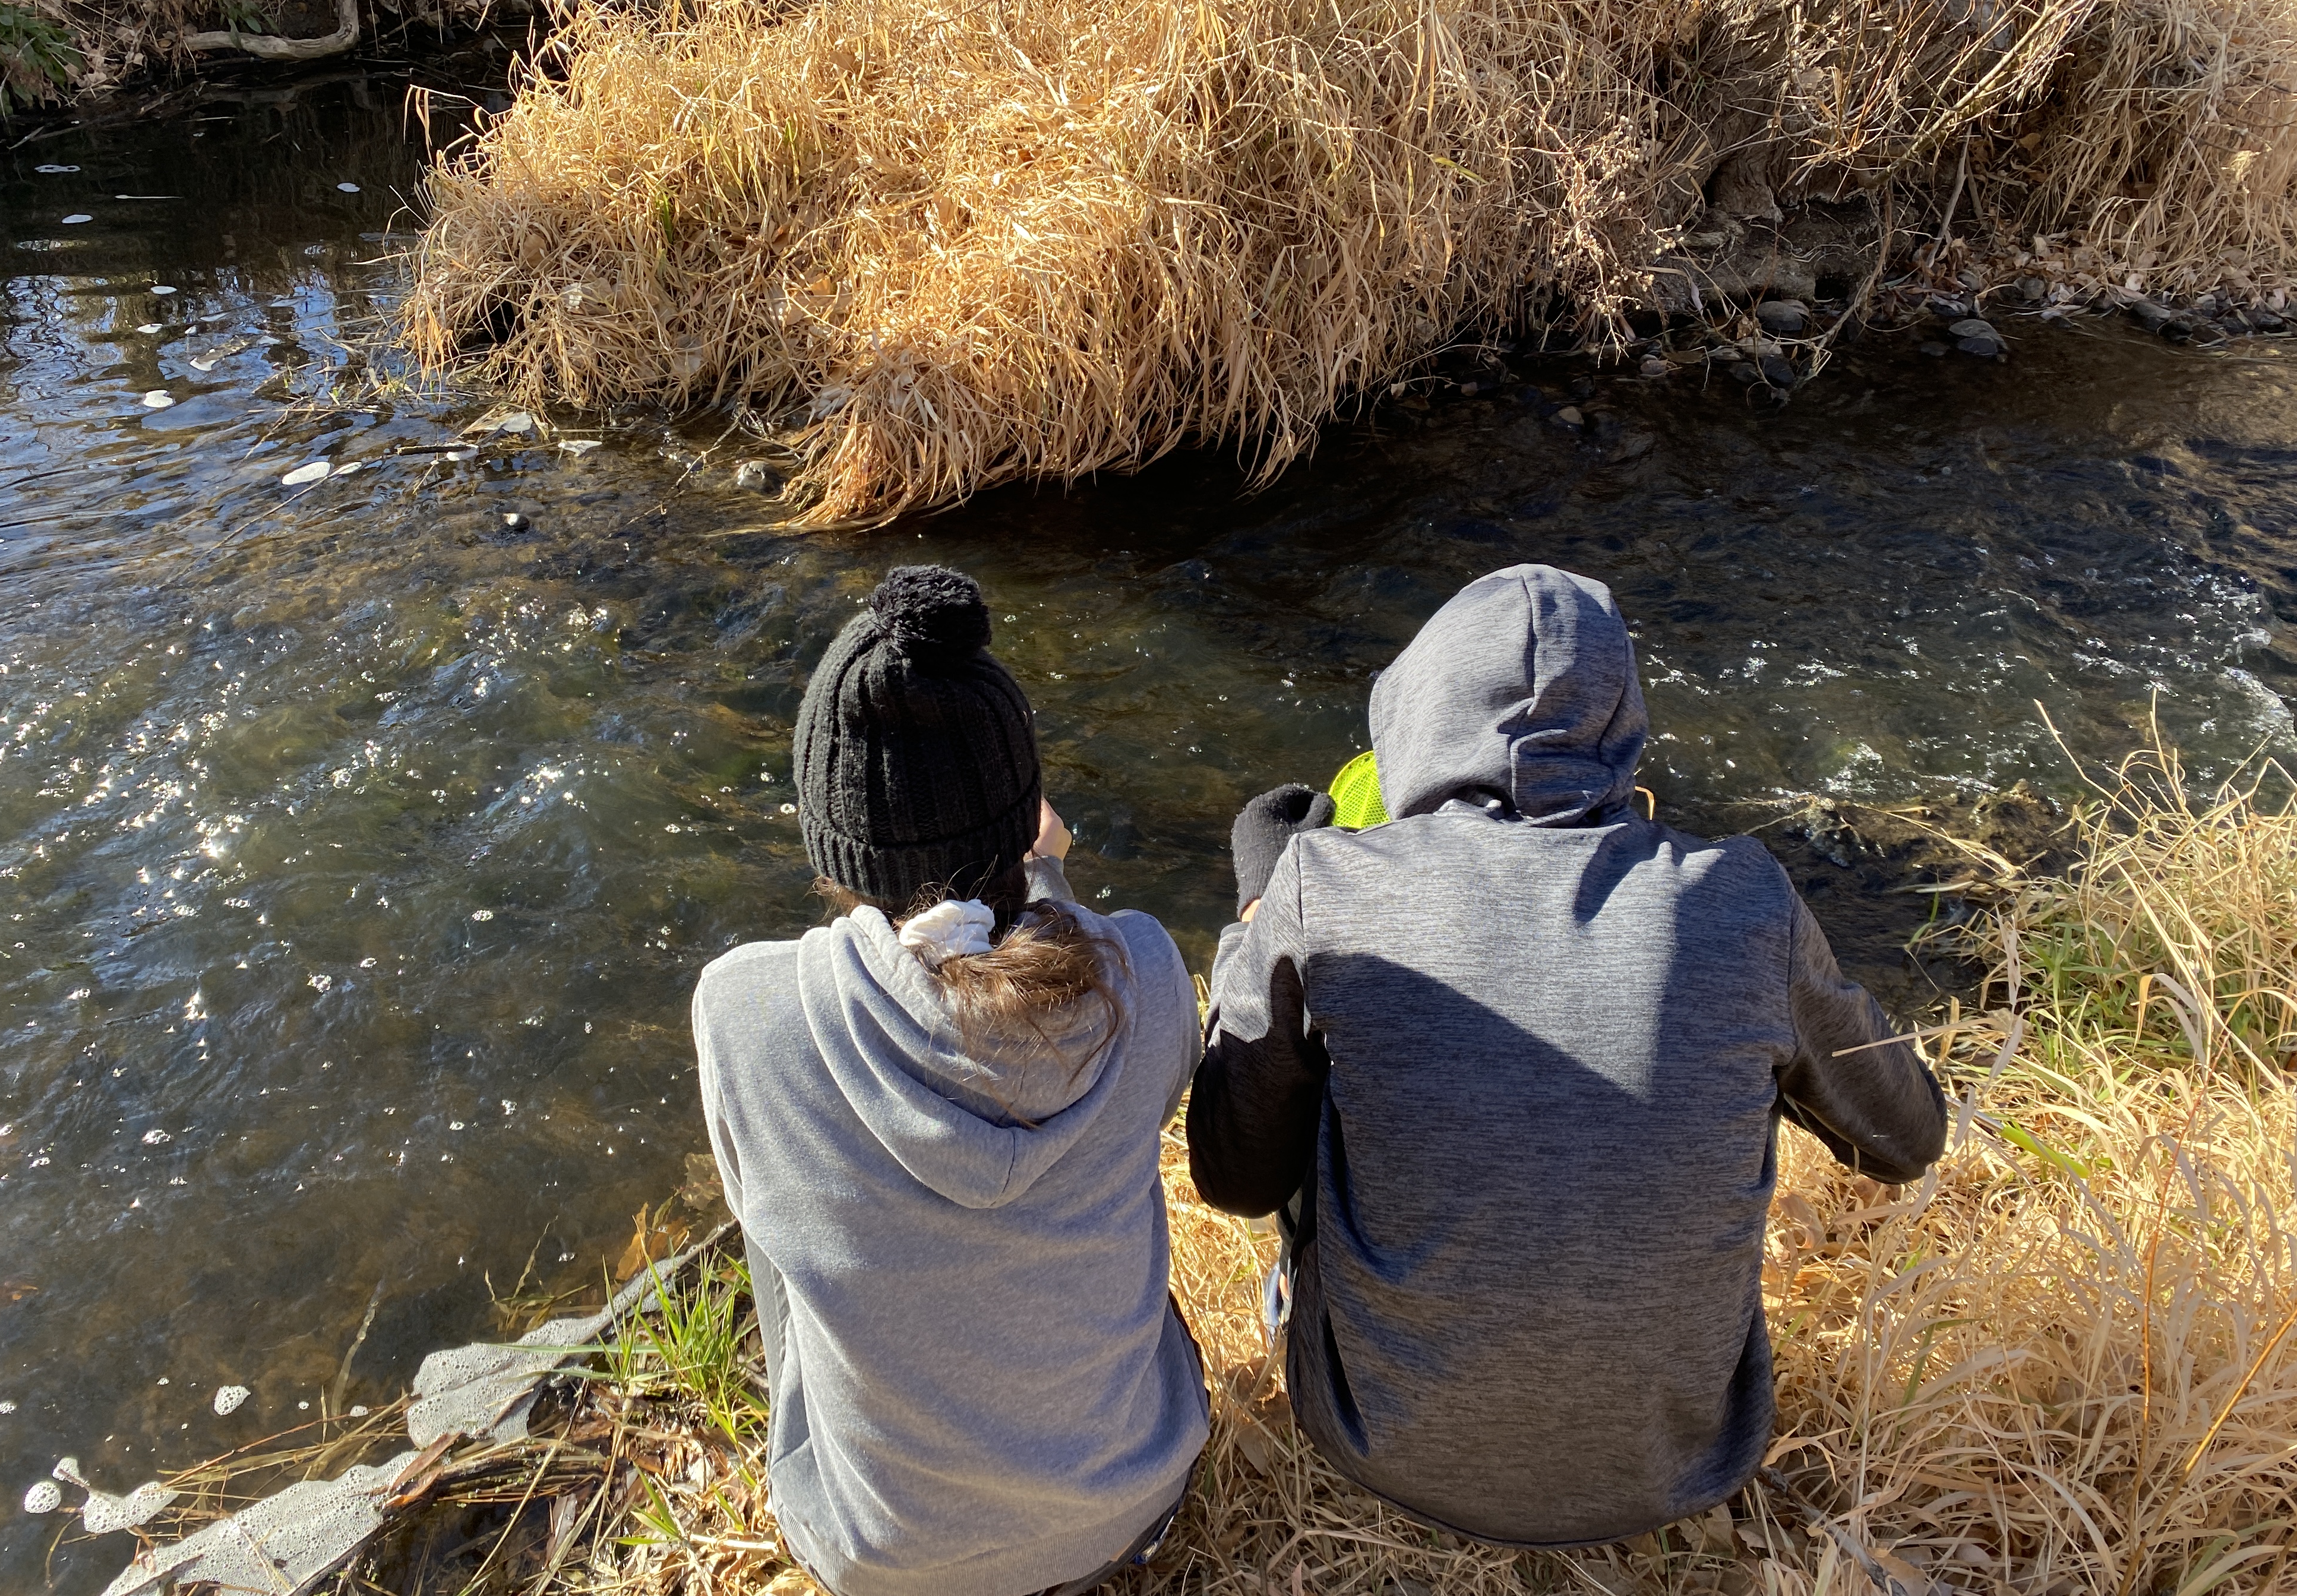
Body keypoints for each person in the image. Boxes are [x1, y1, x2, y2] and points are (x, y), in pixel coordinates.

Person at [1189, 562, 1947, 1546]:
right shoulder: (1744, 900)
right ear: (1618, 724)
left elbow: (1234, 1176)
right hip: (1680, 1461)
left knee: (1322, 1064)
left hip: (1380, 1440)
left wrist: (1255, 918)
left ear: (1419, 707)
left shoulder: (1326, 884)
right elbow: (1906, 1139)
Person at [691, 565, 1209, 1596]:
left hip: (884, 1562)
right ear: (1024, 824)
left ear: (831, 836)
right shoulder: (1147, 973)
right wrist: (1050, 876)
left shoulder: (743, 1011)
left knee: (787, 1227)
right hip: (1134, 1504)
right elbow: (1036, 981)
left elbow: (943, 986)